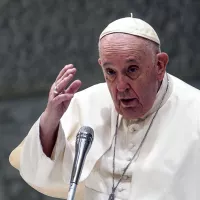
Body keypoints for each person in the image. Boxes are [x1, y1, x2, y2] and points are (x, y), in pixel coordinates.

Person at [9, 16, 200, 200]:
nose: (121, 86)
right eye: (110, 72)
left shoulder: (195, 111)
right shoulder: (86, 103)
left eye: (132, 69)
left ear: (159, 65)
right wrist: (50, 119)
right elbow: (38, 172)